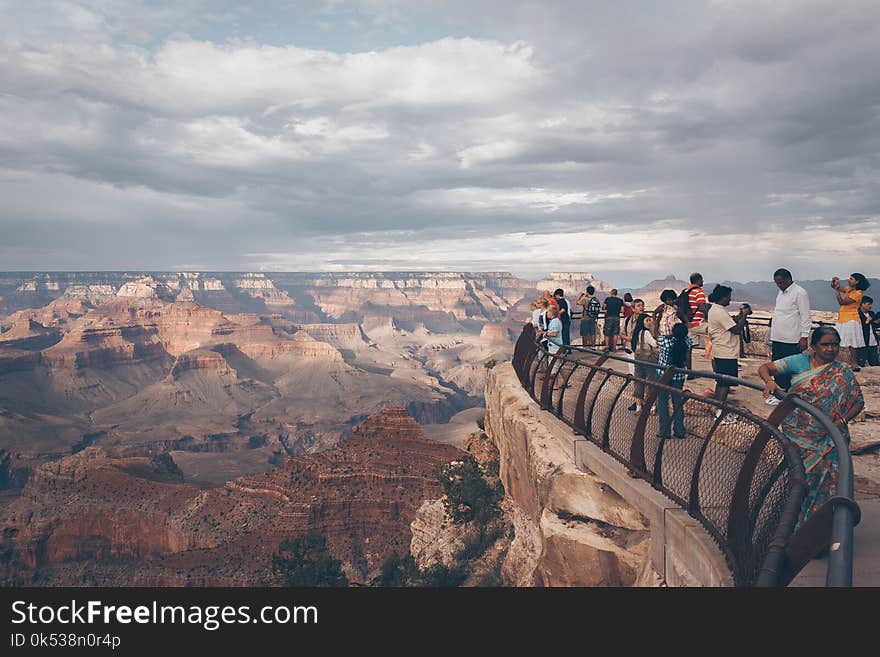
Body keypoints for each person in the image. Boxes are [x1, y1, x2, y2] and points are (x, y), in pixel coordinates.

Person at [757, 326, 864, 525]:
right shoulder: (799, 361)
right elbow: (765, 368)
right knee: (800, 480)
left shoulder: (843, 370)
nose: (831, 349)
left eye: (835, 344)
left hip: (831, 439)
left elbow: (858, 401)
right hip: (800, 436)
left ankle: (822, 530)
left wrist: (841, 421)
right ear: (814, 346)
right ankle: (793, 527)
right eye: (825, 344)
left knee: (830, 484)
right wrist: (770, 382)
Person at [706, 285, 751, 425]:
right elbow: (737, 330)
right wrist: (743, 316)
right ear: (723, 297)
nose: (730, 300)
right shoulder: (720, 312)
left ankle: (717, 409)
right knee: (725, 384)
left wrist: (739, 316)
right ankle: (719, 414)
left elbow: (729, 324)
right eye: (728, 297)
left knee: (720, 382)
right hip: (727, 352)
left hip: (720, 351)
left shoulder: (716, 309)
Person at [767, 268, 812, 405]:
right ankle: (780, 393)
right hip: (778, 337)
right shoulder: (780, 293)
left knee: (791, 367)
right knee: (777, 366)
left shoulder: (800, 293)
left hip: (791, 339)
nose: (779, 285)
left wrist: (804, 336)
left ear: (788, 279)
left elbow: (805, 316)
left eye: (780, 282)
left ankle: (791, 394)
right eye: (776, 283)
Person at [656, 322, 692, 439]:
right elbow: (688, 358)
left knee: (663, 402)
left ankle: (664, 431)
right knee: (677, 403)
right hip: (679, 376)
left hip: (663, 374)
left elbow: (657, 335)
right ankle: (679, 430)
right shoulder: (687, 342)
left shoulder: (664, 341)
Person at [833, 273, 871, 371]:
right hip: (843, 318)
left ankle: (854, 363)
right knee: (839, 341)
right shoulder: (850, 290)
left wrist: (837, 290)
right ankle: (845, 362)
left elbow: (842, 302)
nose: (849, 280)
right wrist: (835, 283)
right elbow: (837, 287)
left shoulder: (858, 293)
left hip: (851, 319)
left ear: (857, 281)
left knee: (852, 343)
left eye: (851, 279)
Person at [628, 311, 658, 413]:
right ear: (642, 322)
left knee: (639, 383)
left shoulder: (636, 333)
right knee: (651, 383)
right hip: (649, 361)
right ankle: (652, 407)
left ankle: (638, 407)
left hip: (638, 360)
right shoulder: (646, 333)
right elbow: (654, 344)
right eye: (647, 320)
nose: (649, 322)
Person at [857, 295, 880, 367]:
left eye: (871, 304)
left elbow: (874, 325)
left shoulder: (872, 313)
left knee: (875, 362)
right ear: (862, 304)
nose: (870, 306)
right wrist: (866, 322)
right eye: (868, 304)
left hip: (873, 341)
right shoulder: (857, 314)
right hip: (863, 341)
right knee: (861, 363)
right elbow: (858, 326)